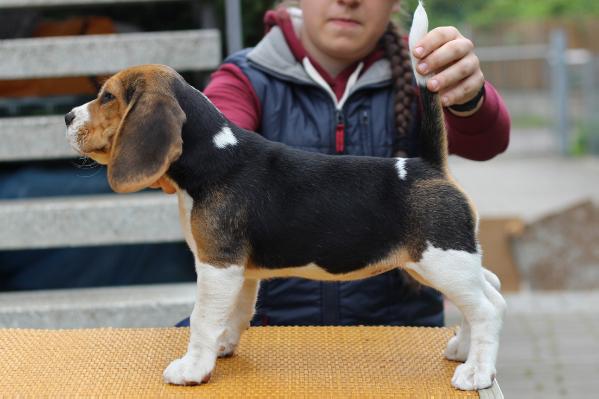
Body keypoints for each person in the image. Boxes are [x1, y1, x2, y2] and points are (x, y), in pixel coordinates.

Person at [176, 0, 510, 327]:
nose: (347, 1)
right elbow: (214, 144)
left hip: (400, 331)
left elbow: (488, 142)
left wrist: (468, 98)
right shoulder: (244, 78)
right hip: (272, 330)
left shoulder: (422, 76)